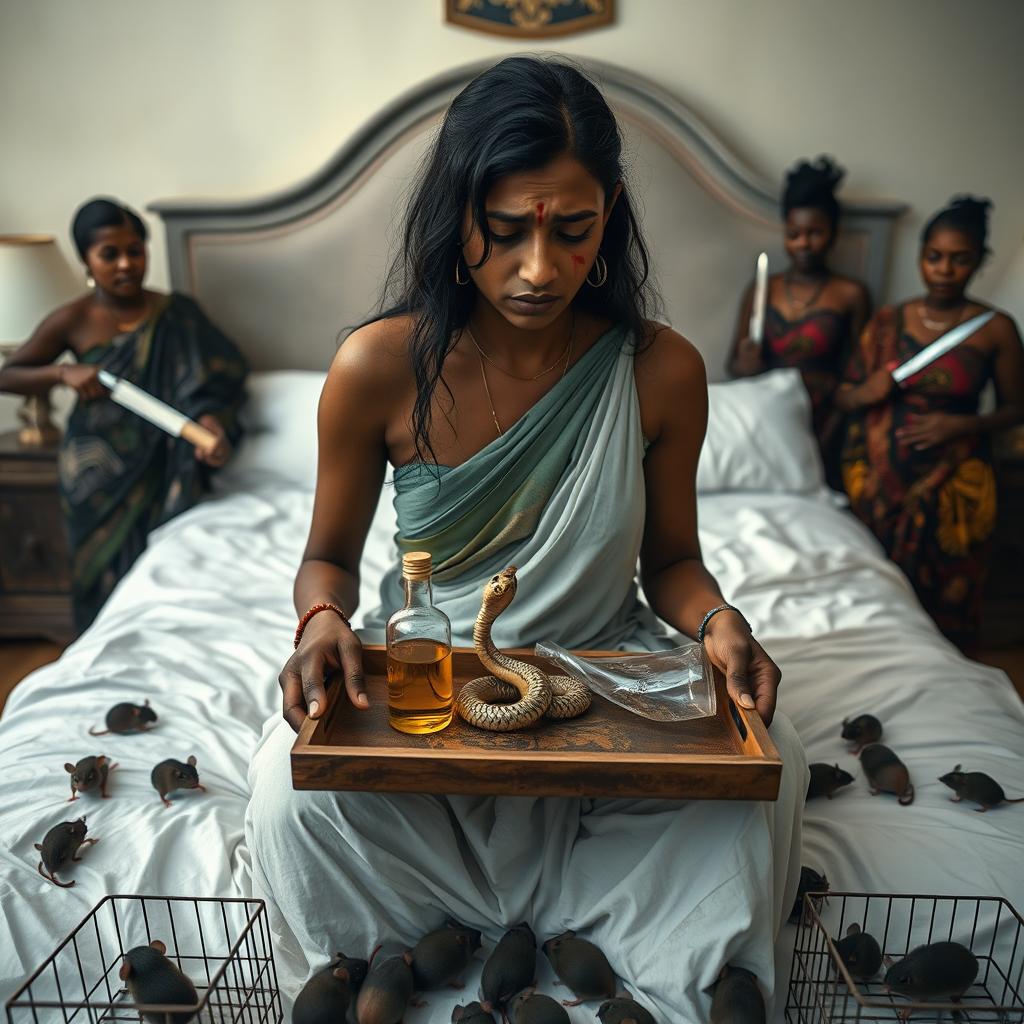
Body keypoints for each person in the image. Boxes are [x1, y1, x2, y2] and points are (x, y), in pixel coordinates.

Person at [245, 57, 806, 1020]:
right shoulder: (377, 367)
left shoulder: (660, 370)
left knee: (766, 774)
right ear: (456, 215)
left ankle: (492, 940)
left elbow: (670, 560)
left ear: (612, 212)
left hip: (603, 688)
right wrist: (322, 621)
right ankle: (538, 933)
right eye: (505, 233)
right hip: (426, 691)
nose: (539, 270)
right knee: (285, 798)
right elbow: (327, 558)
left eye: (573, 232)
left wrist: (718, 619)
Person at [0, 197, 248, 631]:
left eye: (135, 250)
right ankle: (98, 647)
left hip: (164, 463)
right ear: (86, 261)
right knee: (99, 569)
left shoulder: (178, 315)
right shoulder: (72, 319)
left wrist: (210, 426)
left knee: (159, 572)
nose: (126, 264)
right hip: (94, 472)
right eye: (109, 254)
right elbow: (9, 375)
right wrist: (62, 371)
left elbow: (216, 384)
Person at [838, 196, 1024, 653]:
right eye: (934, 257)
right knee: (876, 600)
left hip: (955, 484)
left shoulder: (995, 328)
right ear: (921, 255)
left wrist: (959, 425)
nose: (944, 270)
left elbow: (1016, 409)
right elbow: (844, 397)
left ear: (979, 261)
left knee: (946, 605)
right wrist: (870, 389)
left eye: (959, 260)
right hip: (879, 485)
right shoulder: (887, 321)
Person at [727, 157, 871, 487]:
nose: (803, 243)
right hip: (767, 418)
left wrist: (824, 438)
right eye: (794, 234)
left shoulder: (850, 294)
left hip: (825, 423)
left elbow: (856, 375)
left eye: (815, 233)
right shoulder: (764, 289)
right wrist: (744, 364)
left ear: (833, 234)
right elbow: (733, 365)